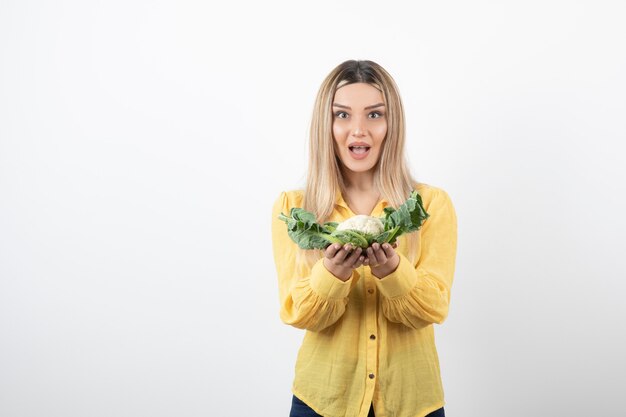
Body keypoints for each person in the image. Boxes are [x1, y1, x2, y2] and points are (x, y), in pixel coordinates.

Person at [271, 60, 458, 417]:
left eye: (374, 115)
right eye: (342, 115)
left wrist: (392, 270)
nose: (358, 130)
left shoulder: (430, 205)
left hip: (412, 402)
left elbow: (434, 307)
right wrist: (332, 275)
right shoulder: (296, 210)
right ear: (325, 125)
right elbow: (297, 312)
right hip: (322, 402)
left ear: (392, 125)